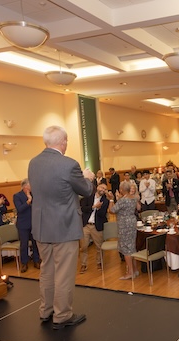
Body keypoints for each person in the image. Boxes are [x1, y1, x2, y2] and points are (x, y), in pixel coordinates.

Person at [28, 125, 94, 330]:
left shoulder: (33, 163)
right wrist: (88, 177)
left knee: (47, 270)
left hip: (41, 226)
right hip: (64, 227)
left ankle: (46, 310)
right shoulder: (69, 164)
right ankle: (62, 314)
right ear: (63, 142)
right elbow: (86, 190)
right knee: (64, 273)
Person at [106, 180, 142, 280]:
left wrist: (111, 200)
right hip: (132, 222)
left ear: (121, 190)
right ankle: (135, 270)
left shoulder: (123, 200)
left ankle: (130, 272)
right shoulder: (133, 198)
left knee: (126, 248)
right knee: (132, 246)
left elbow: (112, 210)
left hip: (124, 225)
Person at [79, 183, 109, 274]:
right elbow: (83, 208)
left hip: (97, 226)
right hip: (86, 225)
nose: (103, 190)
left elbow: (102, 214)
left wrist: (99, 208)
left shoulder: (105, 201)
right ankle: (83, 264)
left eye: (105, 189)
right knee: (83, 246)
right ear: (98, 187)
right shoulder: (88, 197)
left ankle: (99, 262)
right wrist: (94, 207)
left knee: (99, 246)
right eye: (102, 187)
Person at [13, 178, 40, 273]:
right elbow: (19, 209)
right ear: (25, 186)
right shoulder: (17, 196)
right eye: (30, 185)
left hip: (34, 223)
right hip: (23, 224)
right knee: (24, 244)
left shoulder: (34, 194)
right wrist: (28, 201)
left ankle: (36, 260)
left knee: (35, 243)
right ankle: (24, 263)